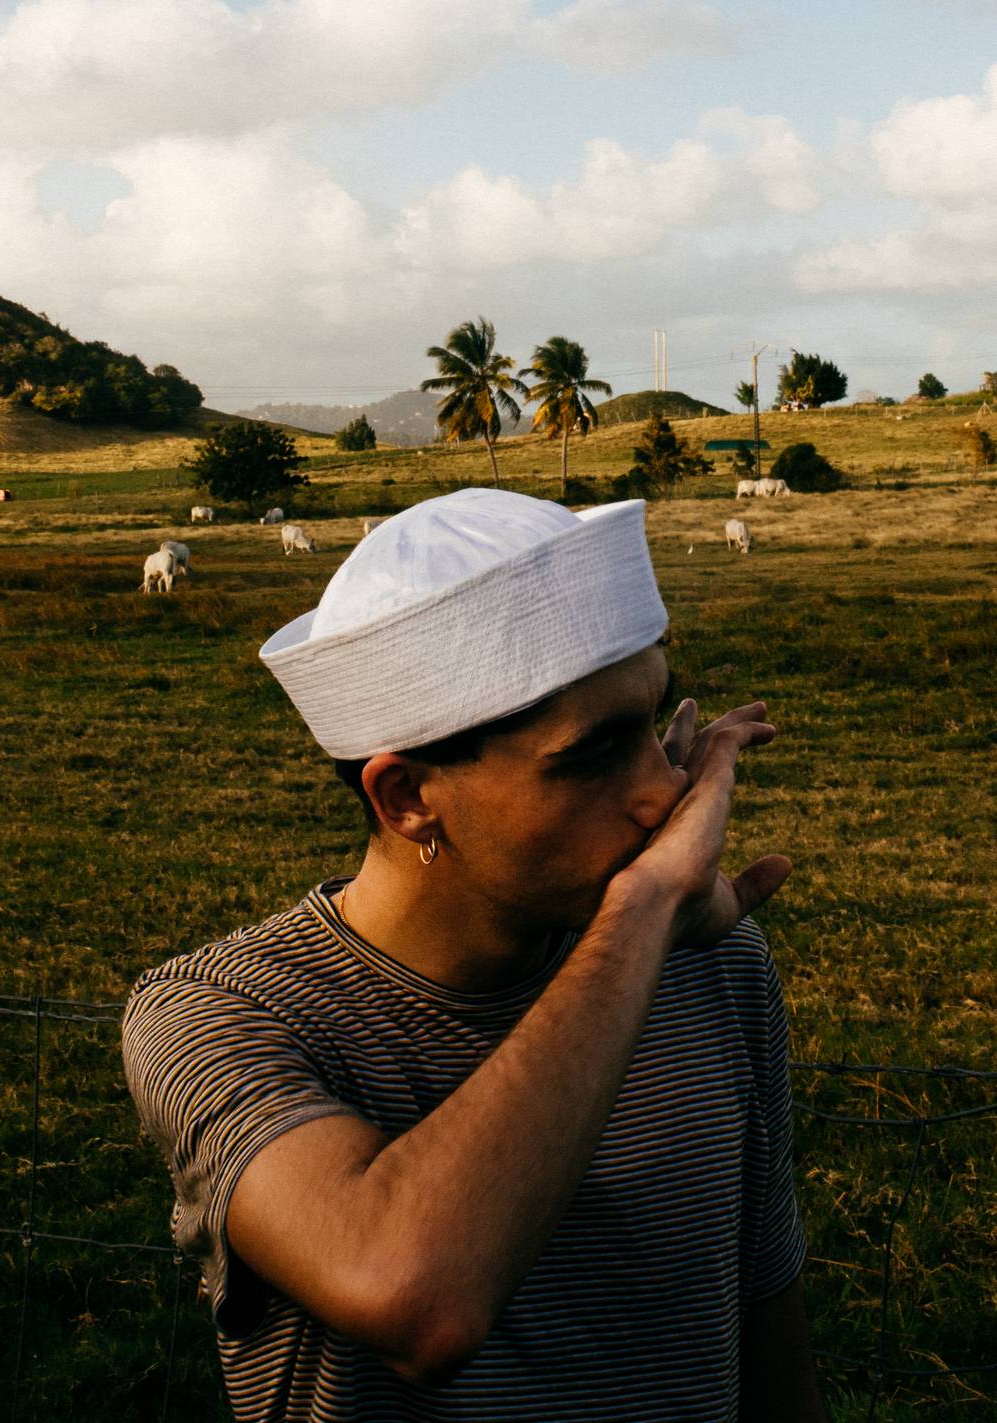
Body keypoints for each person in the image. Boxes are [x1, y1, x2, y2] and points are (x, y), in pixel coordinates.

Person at [123, 489, 826, 1422]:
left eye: (654, 722)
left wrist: (654, 926)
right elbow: (417, 1298)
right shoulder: (221, 1011)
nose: (664, 794)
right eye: (595, 753)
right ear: (408, 795)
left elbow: (766, 1340)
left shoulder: (714, 966)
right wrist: (646, 908)